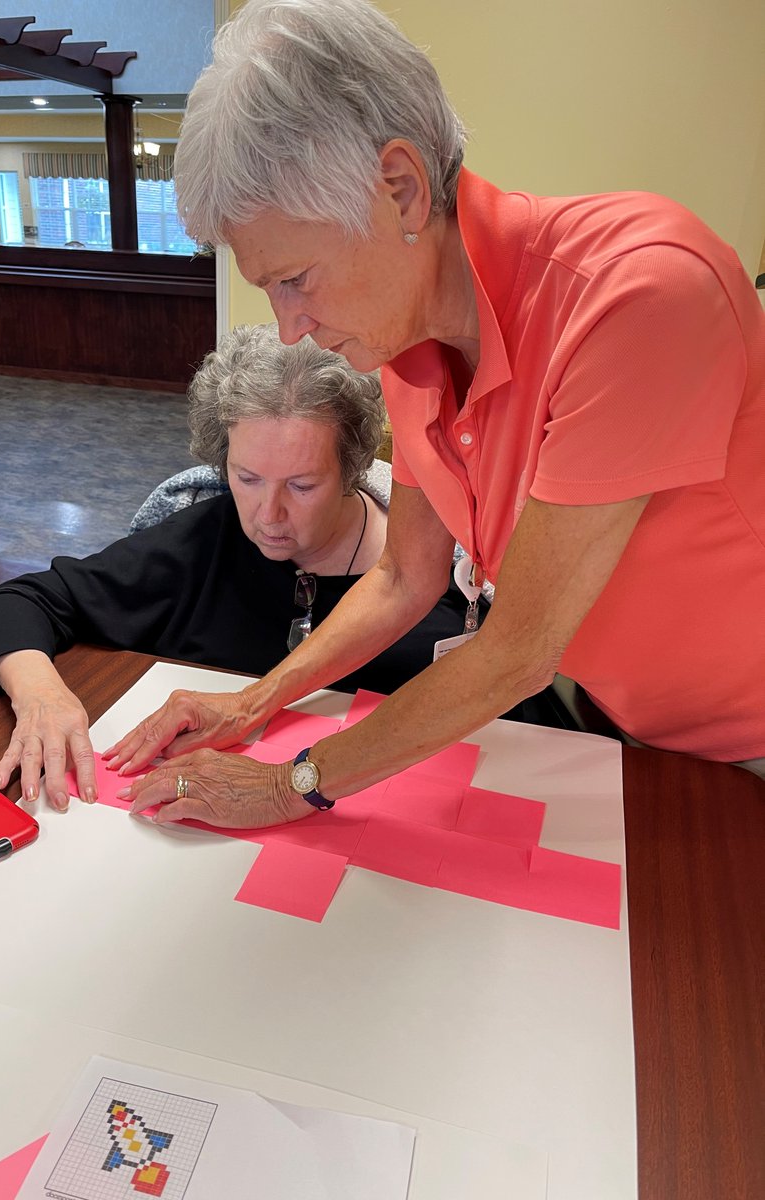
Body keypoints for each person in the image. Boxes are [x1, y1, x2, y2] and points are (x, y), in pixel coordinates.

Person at [99, 0, 764, 830]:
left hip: (747, 743)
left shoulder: (641, 295)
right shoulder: (407, 341)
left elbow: (517, 650)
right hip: (619, 727)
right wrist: (252, 706)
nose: (288, 326)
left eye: (295, 278)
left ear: (402, 190)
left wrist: (285, 786)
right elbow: (405, 577)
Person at [0, 324, 495, 811]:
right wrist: (41, 695)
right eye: (247, 477)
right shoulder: (199, 536)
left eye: (303, 486)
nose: (269, 515)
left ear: (353, 466)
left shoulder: (447, 580)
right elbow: (26, 599)